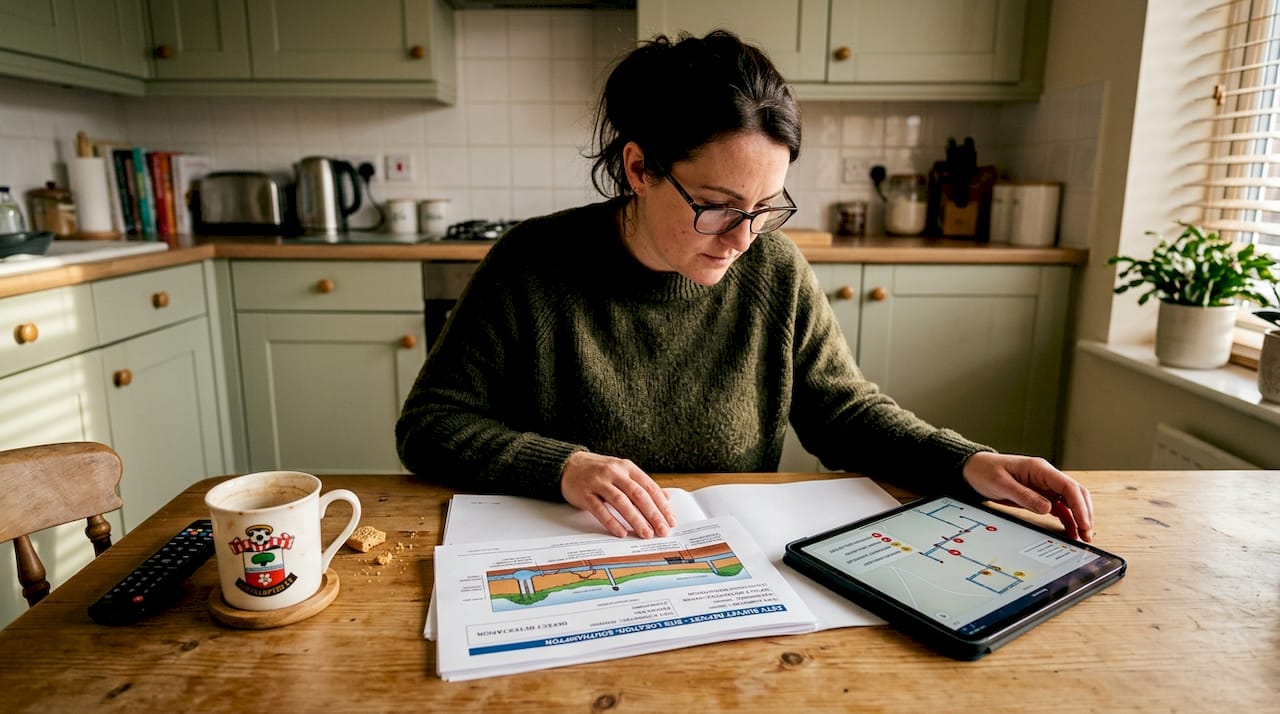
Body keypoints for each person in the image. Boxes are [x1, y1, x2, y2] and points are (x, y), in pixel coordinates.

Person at [396, 30, 1094, 544]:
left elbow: (844, 414)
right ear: (639, 168)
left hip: (720, 566)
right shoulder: (532, 265)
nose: (743, 237)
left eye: (766, 208)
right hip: (564, 555)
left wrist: (967, 461)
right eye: (718, 205)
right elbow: (430, 426)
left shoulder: (773, 269)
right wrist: (564, 467)